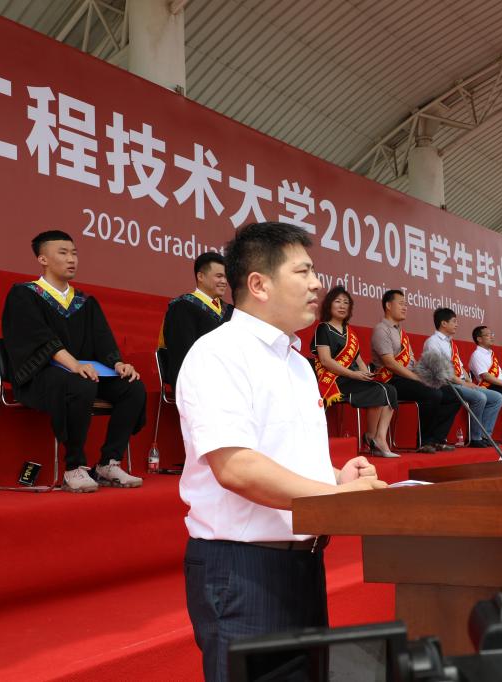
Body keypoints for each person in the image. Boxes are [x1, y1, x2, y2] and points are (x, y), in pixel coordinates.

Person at [176, 222, 387, 682]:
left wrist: (337, 477)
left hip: (304, 560)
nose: (317, 284)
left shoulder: (296, 363)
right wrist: (339, 499)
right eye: (303, 272)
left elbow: (285, 456)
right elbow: (237, 467)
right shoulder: (219, 354)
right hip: (244, 568)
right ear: (259, 284)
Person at [1, 230, 146, 493]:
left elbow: (103, 340)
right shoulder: (24, 295)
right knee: (80, 383)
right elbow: (40, 339)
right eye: (63, 253)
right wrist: (74, 365)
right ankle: (74, 467)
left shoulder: (85, 302)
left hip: (82, 374)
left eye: (74, 253)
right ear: (43, 259)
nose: (71, 259)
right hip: (42, 376)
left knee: (132, 387)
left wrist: (118, 364)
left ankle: (108, 463)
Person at [312, 286, 398, 457]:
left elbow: (358, 360)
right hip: (335, 380)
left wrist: (367, 375)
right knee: (378, 391)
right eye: (338, 301)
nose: (342, 305)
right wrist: (354, 374)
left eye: (346, 302)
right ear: (329, 305)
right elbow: (326, 360)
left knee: (390, 389)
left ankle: (379, 437)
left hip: (352, 378)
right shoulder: (323, 329)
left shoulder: (349, 332)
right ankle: (371, 437)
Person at [372, 290, 459, 453]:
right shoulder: (381, 329)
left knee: (452, 395)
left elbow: (411, 362)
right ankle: (424, 441)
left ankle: (436, 439)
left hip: (407, 377)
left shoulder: (401, 333)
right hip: (391, 379)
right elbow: (390, 363)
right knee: (433, 393)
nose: (405, 307)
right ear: (388, 305)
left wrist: (427, 375)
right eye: (401, 304)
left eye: (406, 304)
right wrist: (417, 378)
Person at [420, 309, 502, 447]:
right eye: (454, 321)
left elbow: (460, 366)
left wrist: (468, 380)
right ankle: (475, 438)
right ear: (443, 323)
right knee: (479, 397)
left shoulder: (450, 343)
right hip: (445, 383)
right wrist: (464, 384)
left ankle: (485, 436)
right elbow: (441, 371)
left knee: (497, 398)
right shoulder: (433, 342)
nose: (457, 324)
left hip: (459, 382)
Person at [160, 251, 231, 387]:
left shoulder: (231, 312)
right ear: (200, 276)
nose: (224, 281)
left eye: (225, 277)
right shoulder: (182, 307)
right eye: (219, 276)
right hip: (199, 385)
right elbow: (182, 355)